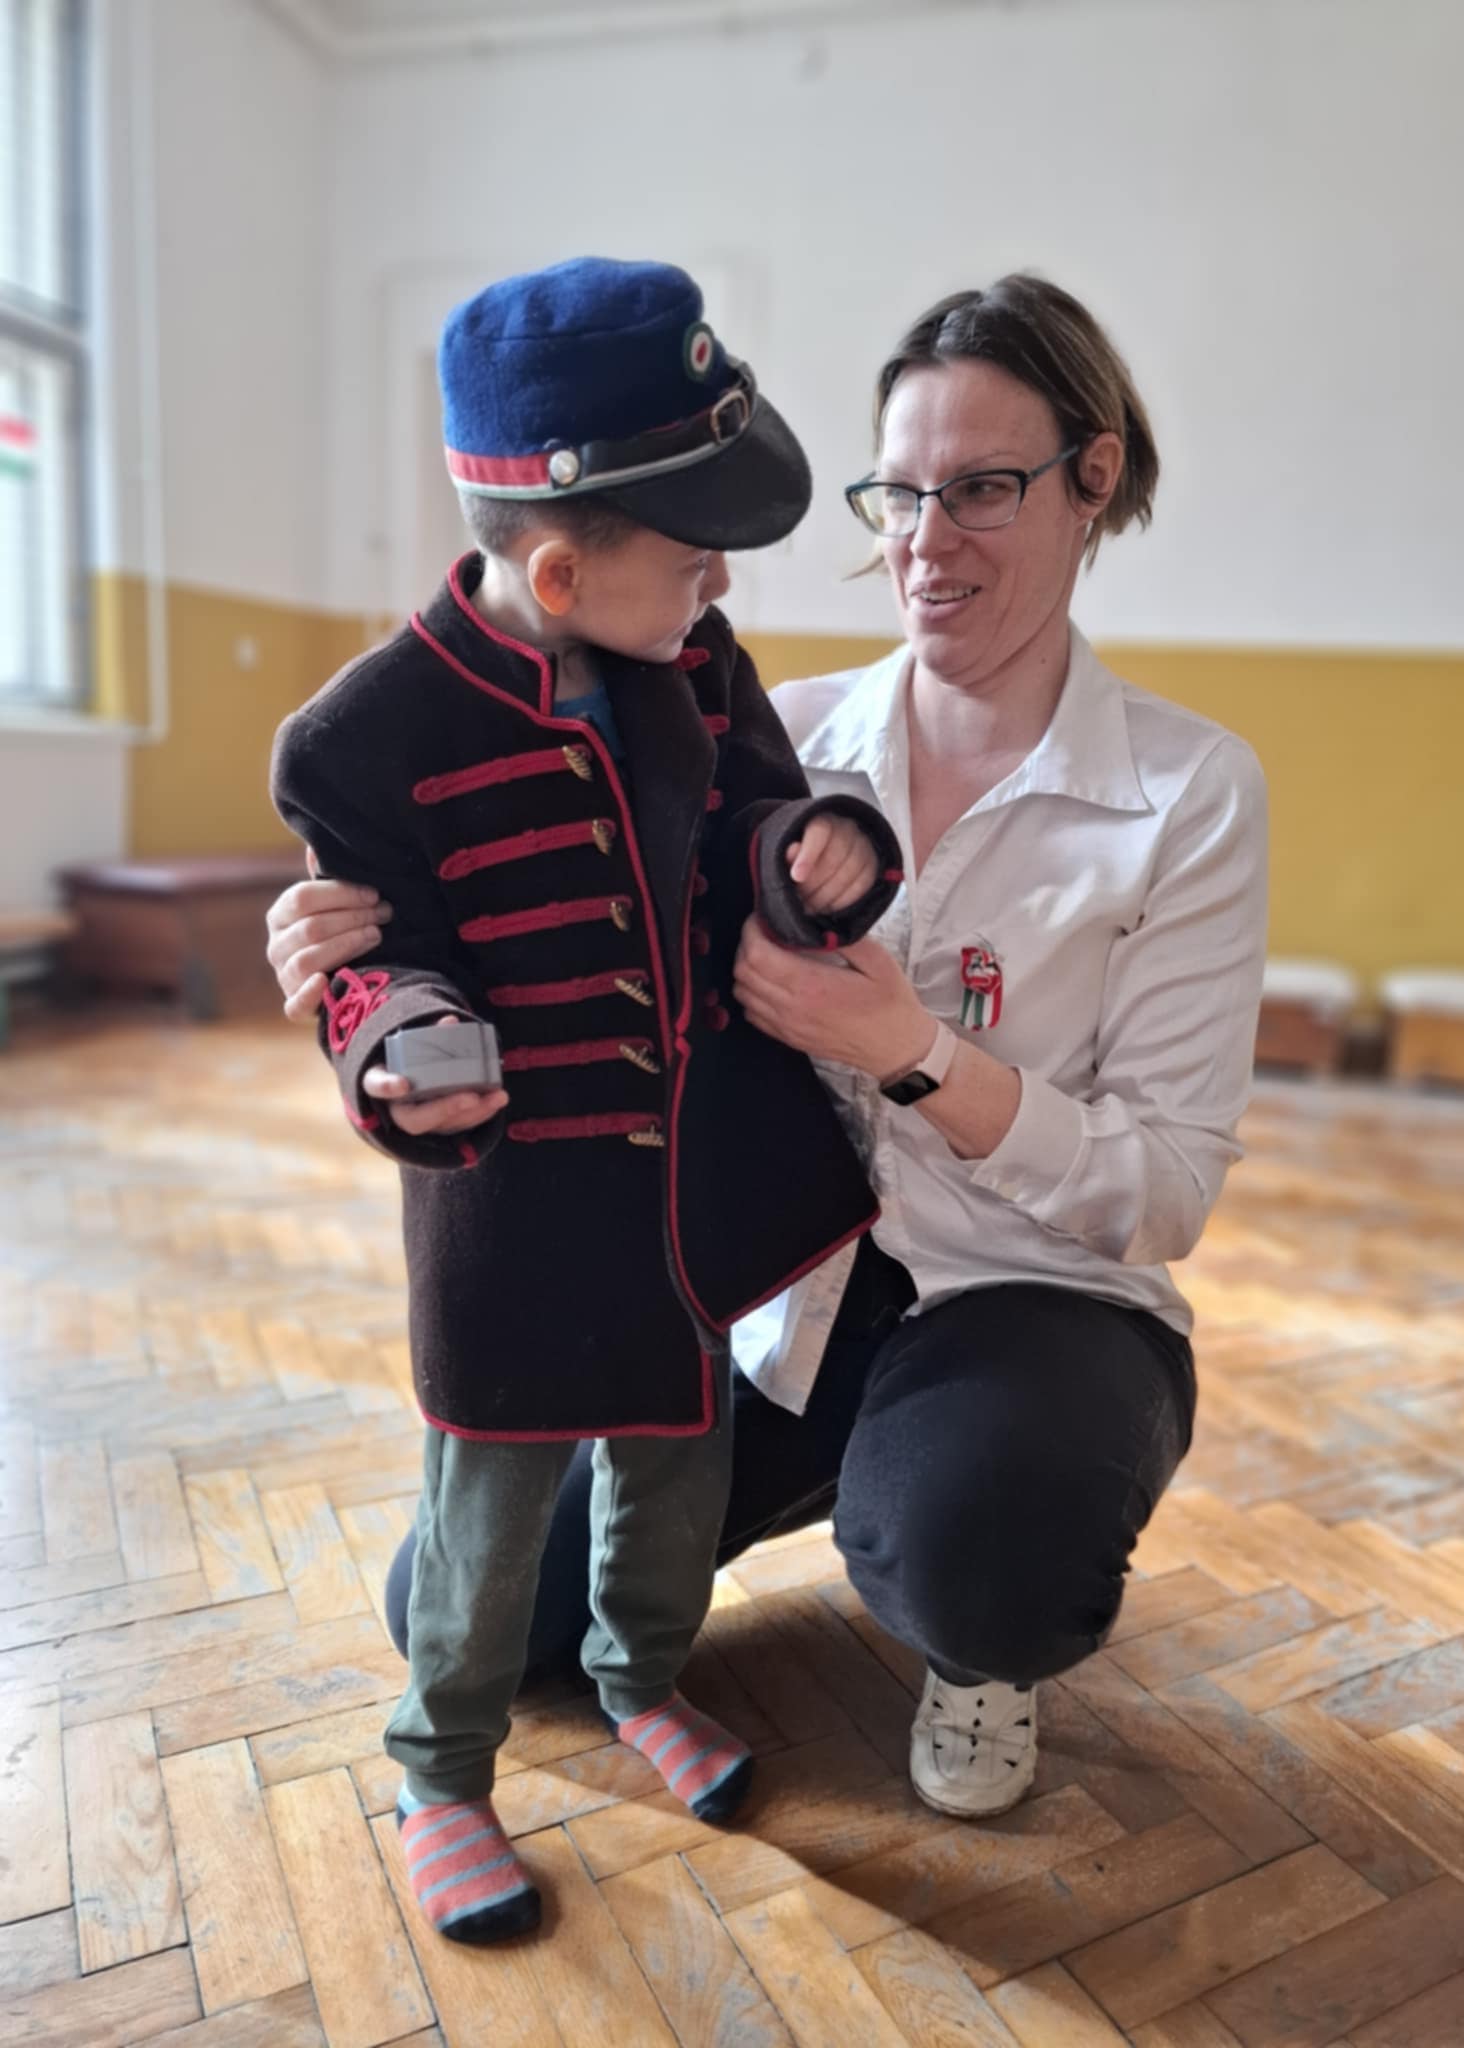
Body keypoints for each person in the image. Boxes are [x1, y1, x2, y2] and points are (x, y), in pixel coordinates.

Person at [267, 270, 1267, 1831]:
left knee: (980, 1546)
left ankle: (971, 1602)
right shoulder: (764, 716)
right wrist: (357, 978)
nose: (925, 541)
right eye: (900, 492)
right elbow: (503, 920)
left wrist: (913, 1052)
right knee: (462, 1611)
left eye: (984, 489)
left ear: (1095, 479)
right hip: (771, 1283)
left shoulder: (1189, 793)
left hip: (1029, 1299)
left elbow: (1165, 1193)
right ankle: (825, 1502)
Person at [270, 256, 902, 1946]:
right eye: (694, 559)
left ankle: (640, 1677)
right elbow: (366, 961)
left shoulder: (695, 664)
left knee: (681, 1466)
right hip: (513, 1220)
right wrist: (393, 1044)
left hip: (694, 1194)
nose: (719, 586)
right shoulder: (363, 739)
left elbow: (761, 817)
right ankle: (440, 1773)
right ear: (560, 570)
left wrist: (816, 851)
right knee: (481, 1528)